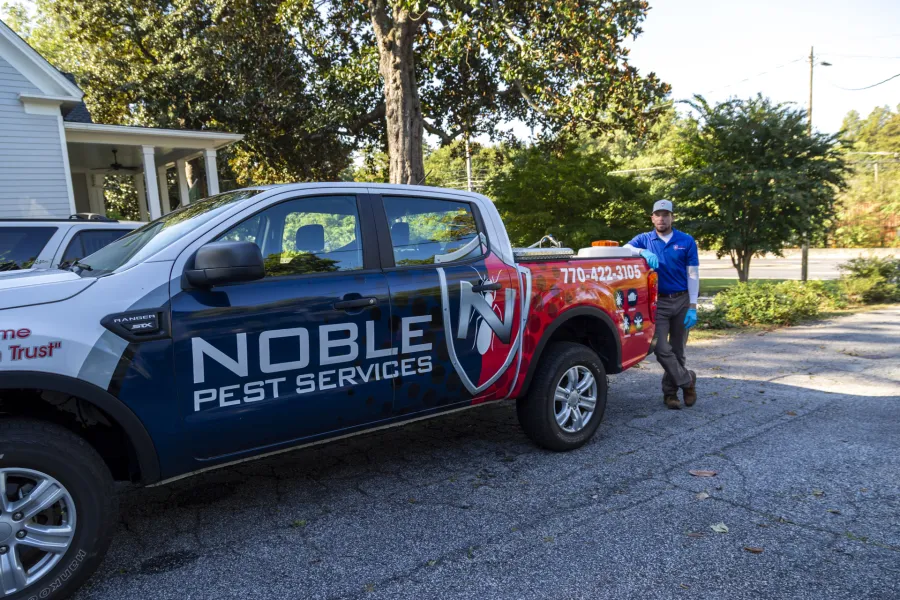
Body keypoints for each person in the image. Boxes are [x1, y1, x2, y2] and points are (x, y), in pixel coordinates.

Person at [624, 200, 700, 409]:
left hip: (683, 300)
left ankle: (670, 395)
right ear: (652, 217)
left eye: (666, 214)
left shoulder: (686, 240)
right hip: (658, 303)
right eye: (658, 214)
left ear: (672, 217)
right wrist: (642, 252)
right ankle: (688, 381)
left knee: (678, 350)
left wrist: (693, 306)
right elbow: (625, 248)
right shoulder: (644, 239)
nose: (662, 218)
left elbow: (692, 274)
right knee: (659, 347)